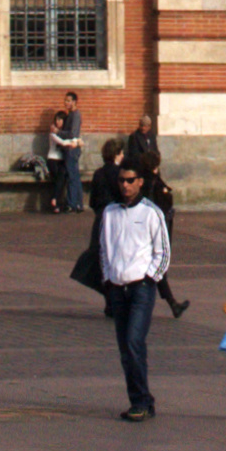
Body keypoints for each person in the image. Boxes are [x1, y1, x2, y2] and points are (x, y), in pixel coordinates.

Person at [83, 154, 175, 422]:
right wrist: (107, 278)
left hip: (140, 289)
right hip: (117, 289)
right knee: (126, 349)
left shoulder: (151, 213)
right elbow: (103, 249)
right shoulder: (110, 213)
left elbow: (163, 252)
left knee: (134, 341)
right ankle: (140, 400)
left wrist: (150, 278)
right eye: (122, 180)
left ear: (140, 182)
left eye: (130, 180)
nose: (125, 185)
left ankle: (142, 400)